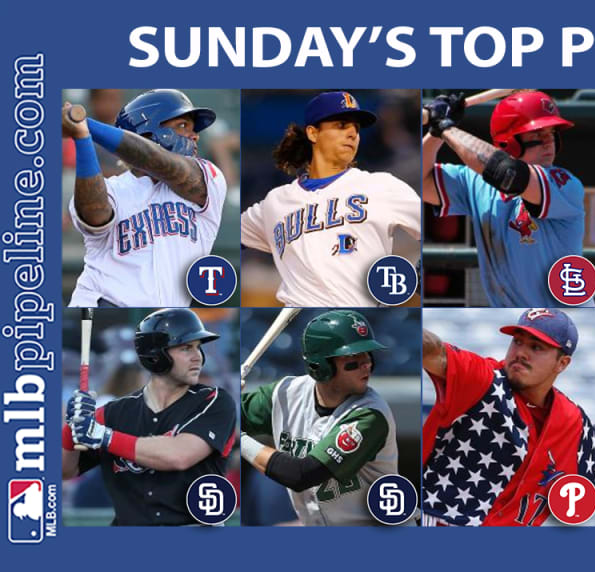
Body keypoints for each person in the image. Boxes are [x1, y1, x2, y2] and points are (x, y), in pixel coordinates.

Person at [421, 308, 595, 526]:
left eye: (536, 347)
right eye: (517, 342)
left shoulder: (572, 421)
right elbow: (434, 352)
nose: (521, 353)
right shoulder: (484, 380)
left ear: (562, 363)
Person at [240, 91, 421, 307]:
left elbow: (438, 229)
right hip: (299, 314)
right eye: (342, 125)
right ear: (313, 133)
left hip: (361, 312)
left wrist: (419, 269)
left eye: (356, 128)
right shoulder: (275, 201)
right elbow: (221, 234)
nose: (352, 134)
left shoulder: (383, 186)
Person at [62, 309, 237, 526]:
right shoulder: (114, 412)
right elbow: (65, 470)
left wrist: (105, 437)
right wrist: (72, 427)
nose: (198, 356)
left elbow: (179, 456)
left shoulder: (214, 401)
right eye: (186, 348)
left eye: (198, 347)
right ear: (156, 355)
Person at [422, 91, 589, 307]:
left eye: (552, 132)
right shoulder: (475, 181)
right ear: (507, 142)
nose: (549, 142)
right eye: (537, 134)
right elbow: (422, 181)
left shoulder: (564, 184)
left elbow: (507, 173)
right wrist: (435, 133)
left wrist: (446, 127)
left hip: (563, 312)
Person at [63, 89, 227, 307]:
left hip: (163, 316)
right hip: (100, 310)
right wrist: (82, 137)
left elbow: (155, 159)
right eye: (182, 126)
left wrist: (84, 124)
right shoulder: (112, 189)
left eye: (193, 128)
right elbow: (95, 214)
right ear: (148, 135)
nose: (195, 135)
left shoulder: (209, 178)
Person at [239, 310, 399, 526]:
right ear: (320, 365)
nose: (367, 364)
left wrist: (240, 438)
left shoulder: (370, 414)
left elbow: (301, 475)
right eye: (353, 357)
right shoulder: (286, 394)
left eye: (368, 354)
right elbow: (223, 414)